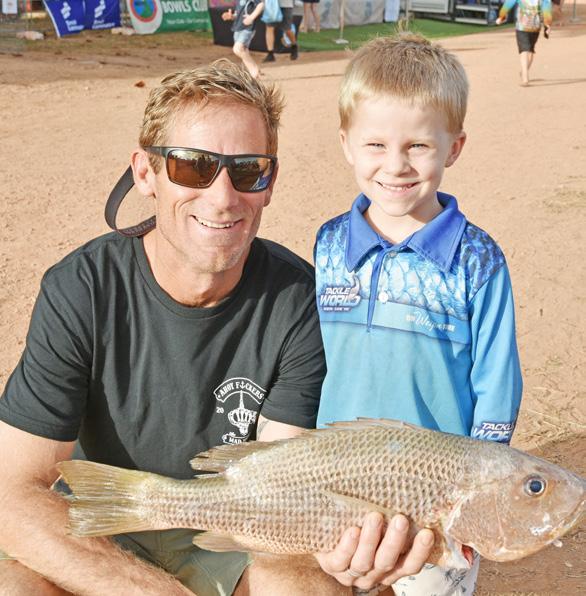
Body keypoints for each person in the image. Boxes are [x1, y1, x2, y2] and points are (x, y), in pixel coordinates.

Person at [0, 60, 434, 595]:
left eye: (248, 170)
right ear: (145, 173)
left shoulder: (299, 302)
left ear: (270, 183)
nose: (224, 197)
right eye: (192, 167)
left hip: (233, 527)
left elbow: (285, 492)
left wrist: (350, 556)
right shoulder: (82, 289)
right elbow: (12, 492)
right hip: (104, 517)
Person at [314, 34, 523, 595]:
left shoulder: (478, 259)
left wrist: (480, 498)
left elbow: (497, 385)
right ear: (346, 144)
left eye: (418, 146)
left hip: (436, 499)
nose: (396, 165)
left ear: (454, 147)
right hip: (338, 487)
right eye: (375, 144)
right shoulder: (329, 244)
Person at [496, 0, 552, 86]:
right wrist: (547, 25)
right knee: (529, 50)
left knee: (525, 50)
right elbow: (546, 8)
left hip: (523, 26)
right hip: (534, 27)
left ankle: (524, 73)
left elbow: (509, 3)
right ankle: (525, 76)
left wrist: (501, 16)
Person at [222, 0, 265, 78]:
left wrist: (251, 17)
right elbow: (238, 14)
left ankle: (254, 69)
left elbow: (261, 5)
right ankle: (255, 72)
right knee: (243, 51)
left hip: (248, 28)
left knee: (237, 49)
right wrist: (231, 16)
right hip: (238, 28)